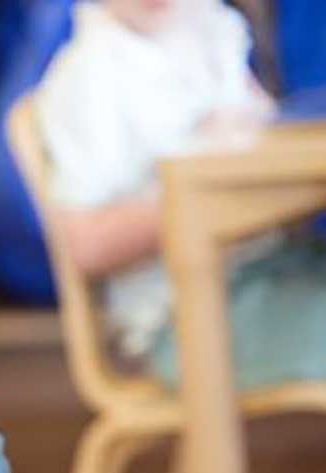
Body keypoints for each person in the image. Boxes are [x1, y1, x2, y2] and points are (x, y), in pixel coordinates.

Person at [35, 0, 326, 382]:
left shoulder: (215, 32)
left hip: (275, 267)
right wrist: (200, 191)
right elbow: (86, 245)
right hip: (185, 318)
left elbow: (265, 132)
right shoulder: (88, 77)